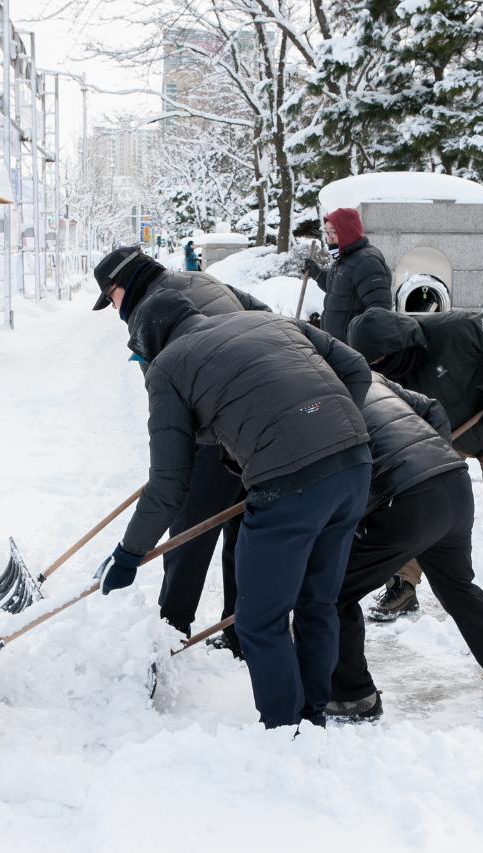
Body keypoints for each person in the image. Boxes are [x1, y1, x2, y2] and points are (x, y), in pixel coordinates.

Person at [98, 288, 373, 730]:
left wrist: (130, 553)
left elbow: (170, 483)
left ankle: (285, 732)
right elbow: (356, 368)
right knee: (316, 603)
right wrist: (330, 427)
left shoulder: (168, 366)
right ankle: (313, 716)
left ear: (151, 343)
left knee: (259, 620)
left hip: (290, 485)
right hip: (354, 465)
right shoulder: (269, 320)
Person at [329, 374, 483, 720]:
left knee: (332, 592)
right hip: (451, 480)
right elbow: (432, 408)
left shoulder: (317, 395)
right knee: (458, 588)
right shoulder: (372, 377)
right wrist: (435, 454)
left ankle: (354, 695)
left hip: (405, 498)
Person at [92, 247, 270, 653]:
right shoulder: (204, 280)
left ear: (124, 284)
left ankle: (172, 628)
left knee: (189, 528)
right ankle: (241, 630)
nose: (113, 307)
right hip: (262, 424)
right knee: (242, 528)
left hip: (215, 427)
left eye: (110, 297)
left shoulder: (147, 313)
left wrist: (174, 465)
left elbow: (167, 394)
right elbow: (265, 314)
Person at [347, 307, 483, 620]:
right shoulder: (390, 373)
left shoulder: (457, 328)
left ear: (395, 346)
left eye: (377, 361)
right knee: (419, 503)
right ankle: (403, 583)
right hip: (444, 435)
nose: (377, 369)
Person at [303, 208, 393, 342]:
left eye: (333, 232)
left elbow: (379, 311)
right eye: (327, 232)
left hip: (353, 349)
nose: (329, 238)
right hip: (337, 345)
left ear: (347, 231)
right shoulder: (345, 258)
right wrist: (317, 274)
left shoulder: (367, 262)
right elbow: (340, 290)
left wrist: (361, 343)